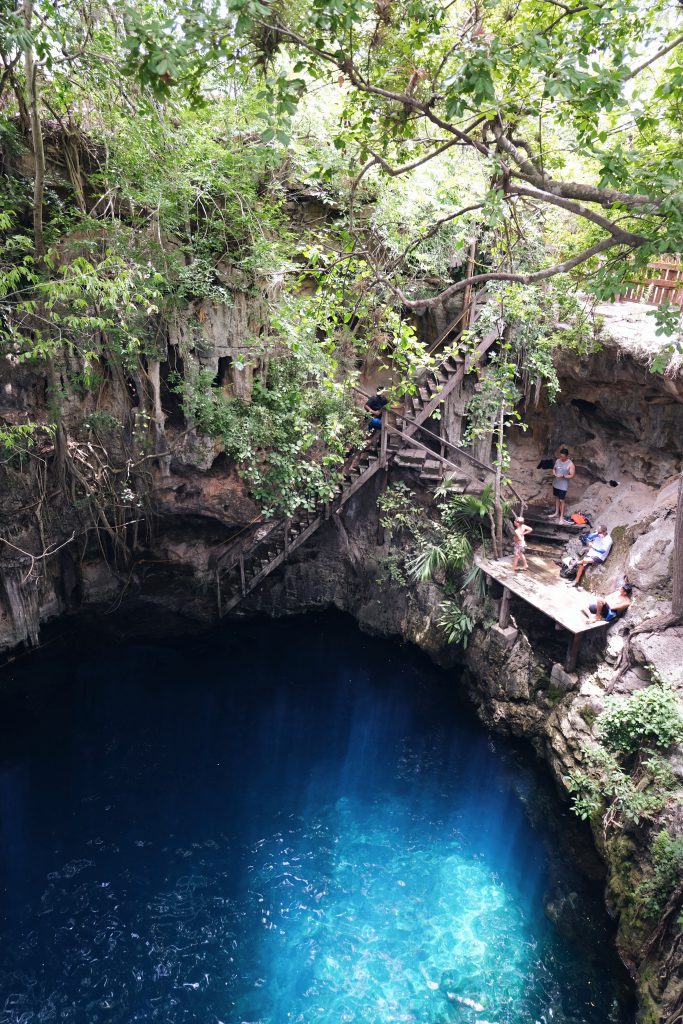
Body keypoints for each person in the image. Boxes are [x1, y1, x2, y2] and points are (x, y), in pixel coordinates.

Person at [547, 447, 575, 523]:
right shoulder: (558, 461)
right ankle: (556, 513)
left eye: (563, 457)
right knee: (556, 498)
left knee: (561, 500)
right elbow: (554, 468)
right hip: (556, 483)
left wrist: (563, 476)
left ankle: (561, 517)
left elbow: (572, 475)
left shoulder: (570, 464)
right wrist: (554, 473)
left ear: (567, 456)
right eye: (560, 456)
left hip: (563, 485)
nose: (561, 458)